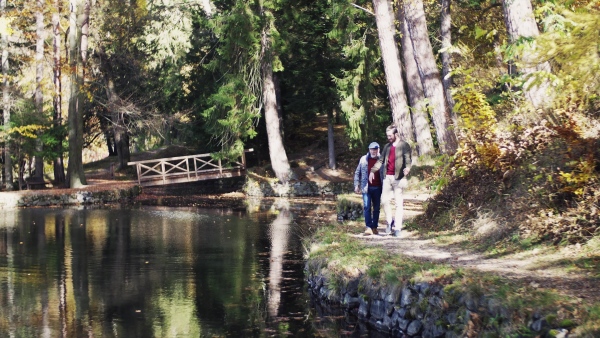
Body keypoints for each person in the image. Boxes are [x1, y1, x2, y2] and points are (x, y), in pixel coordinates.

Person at [369, 124, 411, 236]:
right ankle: (389, 222)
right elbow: (381, 160)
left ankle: (397, 228)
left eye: (390, 135)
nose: (388, 138)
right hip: (387, 177)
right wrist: (373, 171)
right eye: (387, 136)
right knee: (384, 201)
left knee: (398, 203)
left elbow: (408, 159)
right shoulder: (387, 147)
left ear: (396, 134)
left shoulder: (404, 145)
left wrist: (407, 168)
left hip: (399, 178)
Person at [354, 142, 382, 235]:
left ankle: (375, 227)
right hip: (366, 188)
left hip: (378, 187)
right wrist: (356, 185)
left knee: (377, 208)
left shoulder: (381, 159)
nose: (373, 151)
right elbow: (357, 172)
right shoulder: (363, 159)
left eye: (375, 149)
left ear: (378, 150)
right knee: (367, 207)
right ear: (369, 150)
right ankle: (368, 227)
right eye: (371, 149)